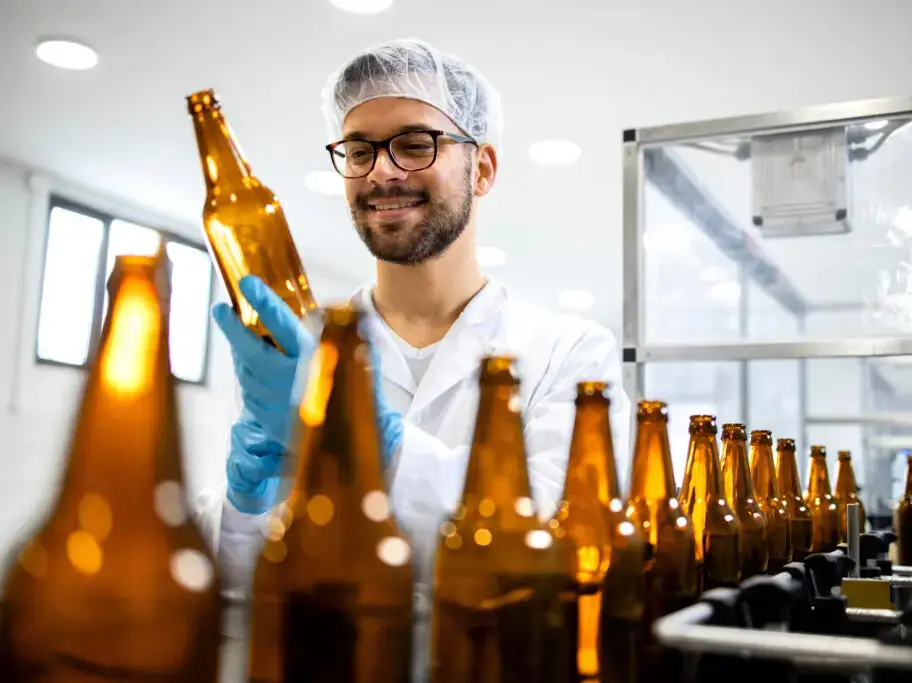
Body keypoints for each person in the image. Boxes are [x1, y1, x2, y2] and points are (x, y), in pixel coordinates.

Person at [194, 37, 631, 676]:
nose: (382, 173)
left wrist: (378, 446)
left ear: (482, 169)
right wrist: (246, 507)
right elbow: (242, 594)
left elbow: (557, 554)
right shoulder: (302, 348)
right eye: (360, 150)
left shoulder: (569, 353)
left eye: (415, 143)